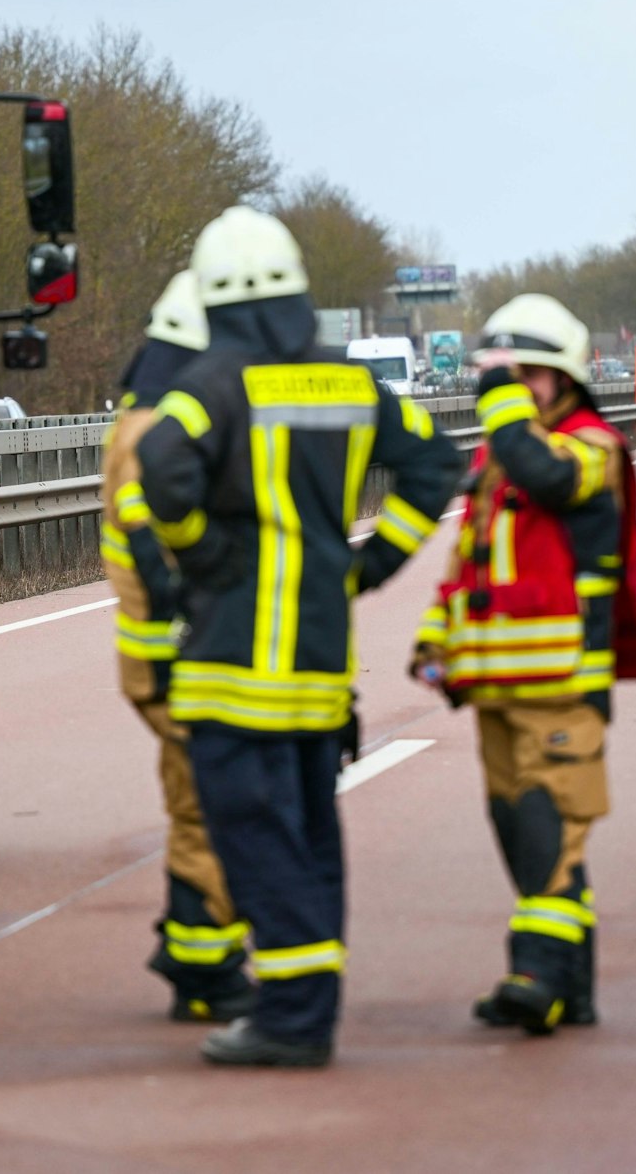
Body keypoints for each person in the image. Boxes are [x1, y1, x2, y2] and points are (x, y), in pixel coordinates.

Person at [136, 207, 460, 1068]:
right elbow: (436, 464)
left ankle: (290, 1021)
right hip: (319, 665)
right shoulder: (351, 383)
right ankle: (306, 1007)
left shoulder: (214, 384)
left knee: (252, 837)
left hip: (233, 664)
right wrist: (373, 563)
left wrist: (203, 558)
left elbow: (159, 467)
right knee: (311, 835)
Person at [407, 293, 636, 1036]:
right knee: (523, 836)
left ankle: (536, 974)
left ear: (564, 378)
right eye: (507, 375)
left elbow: (548, 478)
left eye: (530, 375)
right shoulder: (502, 454)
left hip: (562, 682)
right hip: (494, 682)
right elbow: (469, 561)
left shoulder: (590, 446)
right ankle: (572, 990)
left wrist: (501, 407)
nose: (517, 387)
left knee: (552, 830)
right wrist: (435, 641)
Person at [99, 272, 253, 1024]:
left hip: (159, 656)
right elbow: (152, 537)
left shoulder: (141, 417)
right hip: (176, 657)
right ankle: (207, 972)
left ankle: (193, 947)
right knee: (219, 806)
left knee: (194, 803)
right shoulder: (152, 433)